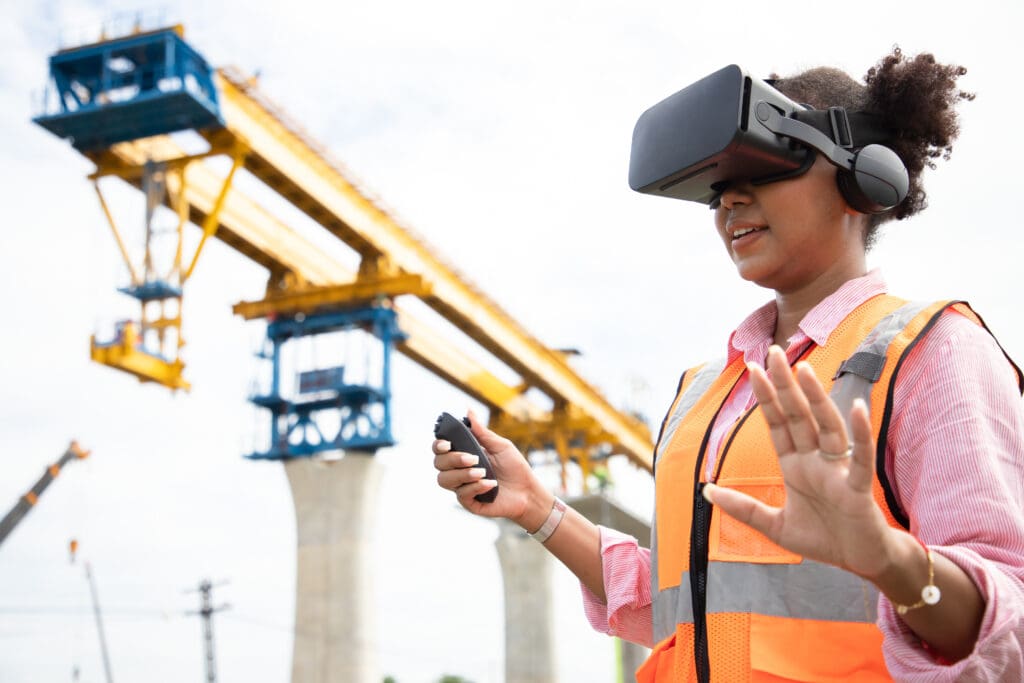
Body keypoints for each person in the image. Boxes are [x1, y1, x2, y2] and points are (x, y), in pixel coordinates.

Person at [432, 47, 1024, 681]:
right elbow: (681, 613)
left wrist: (889, 560)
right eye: (717, 187)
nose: (729, 201)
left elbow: (1006, 628)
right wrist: (537, 509)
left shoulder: (932, 352)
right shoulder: (702, 394)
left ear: (863, 182)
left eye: (762, 168)